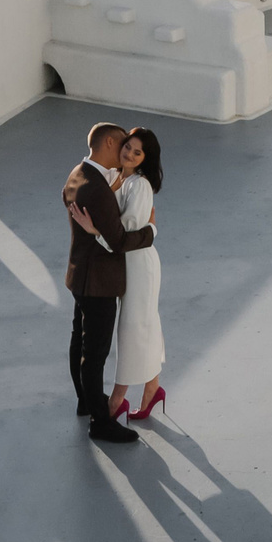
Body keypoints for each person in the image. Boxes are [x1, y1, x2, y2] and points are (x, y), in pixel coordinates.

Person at [62, 121, 153, 445]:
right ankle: (101, 423)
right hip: (98, 281)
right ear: (111, 143)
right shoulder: (98, 190)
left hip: (79, 273)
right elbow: (116, 242)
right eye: (123, 146)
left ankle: (86, 402)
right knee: (95, 351)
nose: (126, 152)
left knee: (80, 341)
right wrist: (150, 233)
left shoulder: (78, 174)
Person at [107, 126, 166, 421]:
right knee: (143, 326)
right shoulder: (121, 178)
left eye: (137, 152)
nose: (128, 153)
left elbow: (126, 228)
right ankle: (152, 388)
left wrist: (97, 226)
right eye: (127, 146)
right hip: (130, 263)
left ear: (145, 159)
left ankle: (117, 400)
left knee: (132, 328)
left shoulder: (139, 185)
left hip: (140, 266)